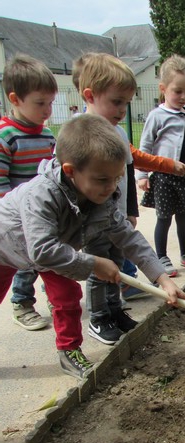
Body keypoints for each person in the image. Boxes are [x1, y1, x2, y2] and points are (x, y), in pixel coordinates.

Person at [0, 114, 185, 379]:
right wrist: (93, 263)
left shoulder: (100, 196)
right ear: (70, 171)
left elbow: (127, 236)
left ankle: (69, 352)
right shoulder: (41, 194)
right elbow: (42, 248)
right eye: (103, 179)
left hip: (53, 253)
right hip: (6, 247)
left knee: (67, 299)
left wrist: (163, 279)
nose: (111, 187)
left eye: (117, 178)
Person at [73, 52, 185, 345]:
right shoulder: (80, 135)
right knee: (99, 268)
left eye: (126, 103)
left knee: (116, 262)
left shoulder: (114, 131)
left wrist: (130, 208)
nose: (123, 110)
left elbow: (132, 162)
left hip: (115, 217)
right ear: (90, 95)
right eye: (116, 102)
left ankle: (115, 310)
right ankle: (99, 318)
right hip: (91, 218)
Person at [136, 54, 185, 278]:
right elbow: (145, 146)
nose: (183, 96)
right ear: (163, 88)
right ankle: (161, 256)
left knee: (184, 217)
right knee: (164, 217)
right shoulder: (157, 116)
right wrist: (142, 174)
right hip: (164, 177)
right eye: (178, 91)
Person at [0, 53, 57, 331]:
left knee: (46, 257)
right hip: (17, 216)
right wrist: (17, 214)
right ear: (15, 99)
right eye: (40, 103)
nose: (47, 110)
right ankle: (22, 302)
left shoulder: (47, 135)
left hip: (44, 210)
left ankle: (51, 296)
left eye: (50, 103)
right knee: (25, 261)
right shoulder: (6, 136)